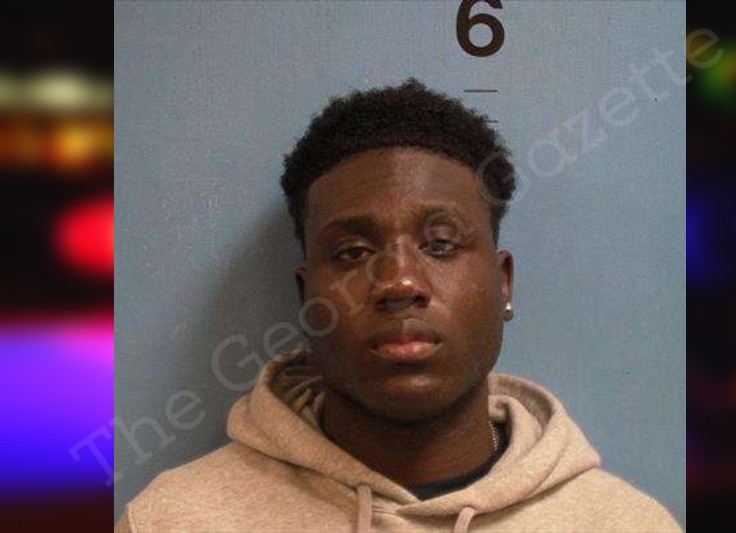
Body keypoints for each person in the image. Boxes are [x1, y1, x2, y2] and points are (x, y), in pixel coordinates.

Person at [115, 78, 681, 532]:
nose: (400, 282)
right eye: (353, 252)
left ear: (503, 284)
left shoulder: (626, 525)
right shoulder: (172, 521)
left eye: (441, 244)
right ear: (306, 298)